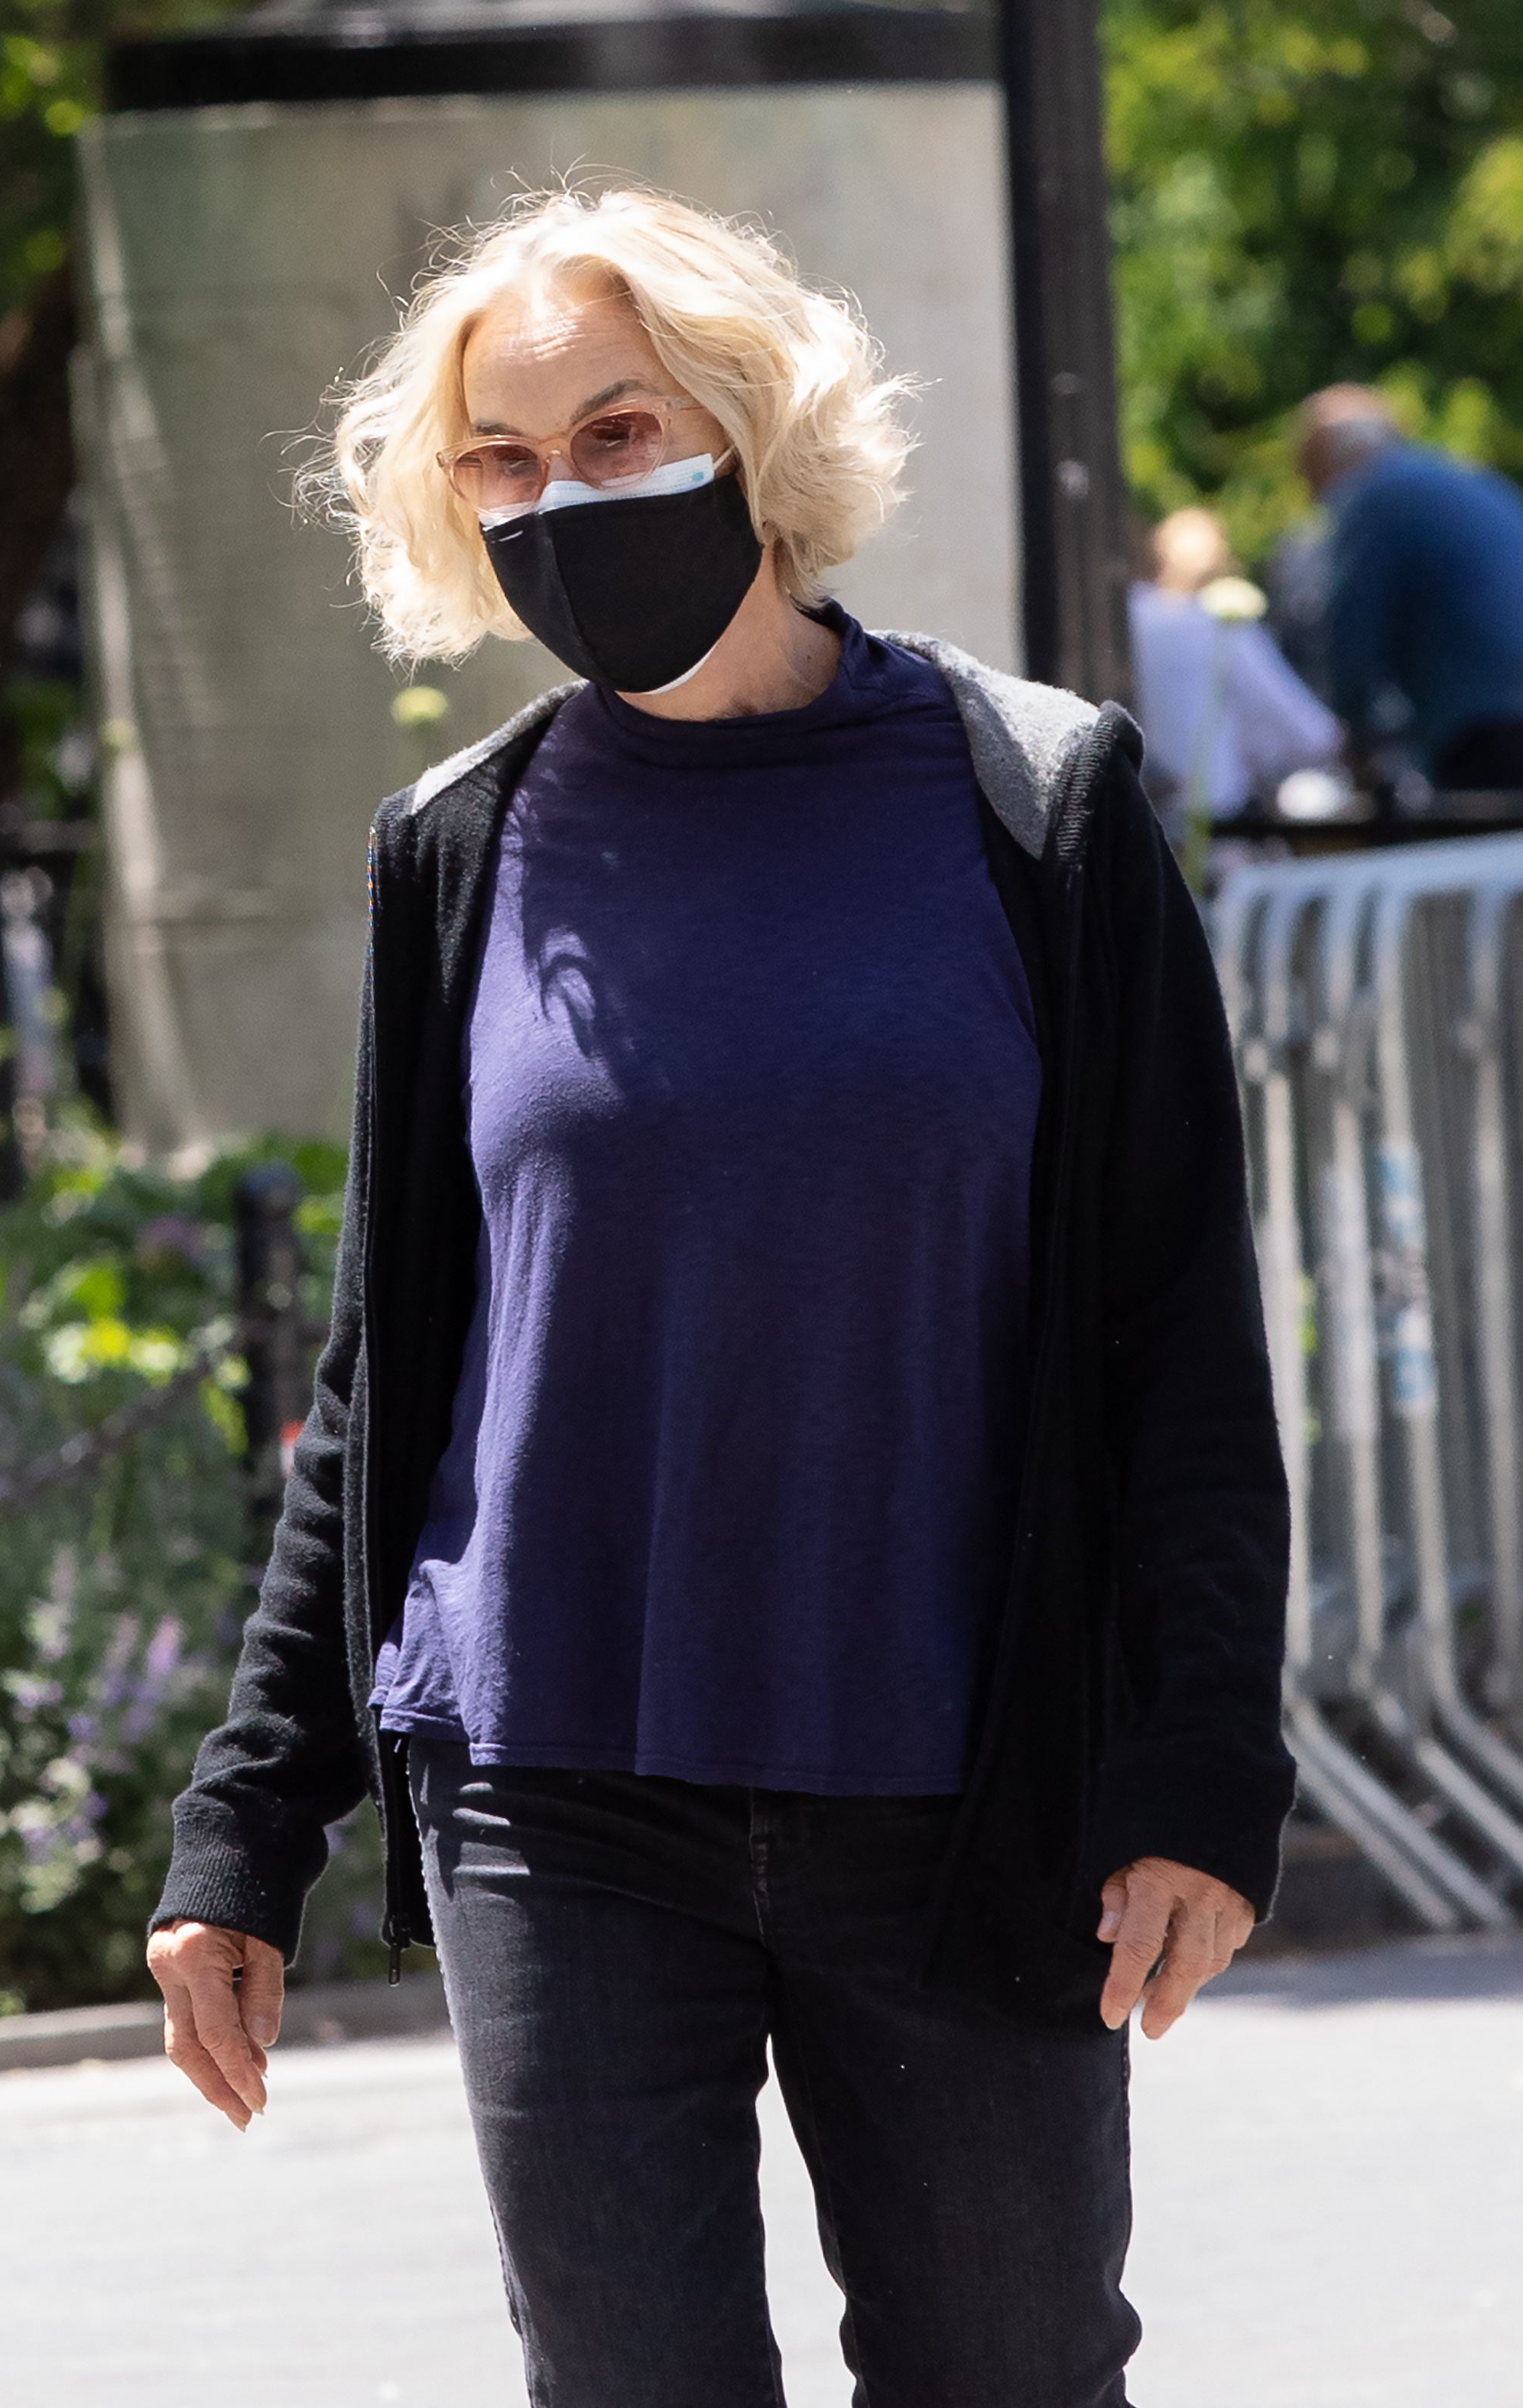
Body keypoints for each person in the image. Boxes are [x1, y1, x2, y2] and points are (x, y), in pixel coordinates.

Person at [145, 188, 1293, 2408]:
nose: (560, 494)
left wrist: (1193, 1771)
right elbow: (394, 1372)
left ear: (753, 435)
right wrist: (246, 1827)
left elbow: (1175, 1334)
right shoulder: (457, 848)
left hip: (964, 1784)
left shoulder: (1028, 803)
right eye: (504, 456)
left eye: (617, 429)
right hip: (555, 1777)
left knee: (1008, 2371)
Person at [1300, 384, 1523, 790]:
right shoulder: (1455, 478)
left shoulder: (1371, 496)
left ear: (1330, 462)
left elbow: (1350, 639)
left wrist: (1357, 743)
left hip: (1488, 726)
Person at [1128, 506, 1341, 830]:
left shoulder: (1131, 621)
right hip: (1213, 828)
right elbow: (1307, 733)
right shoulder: (1222, 626)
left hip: (1137, 822)